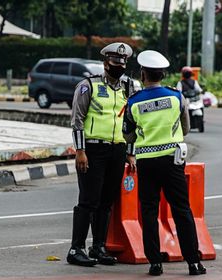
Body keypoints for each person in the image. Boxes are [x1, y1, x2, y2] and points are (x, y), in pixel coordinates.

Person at [122, 50, 206, 276]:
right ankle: (193, 263)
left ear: (143, 74)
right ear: (162, 74)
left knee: (149, 211)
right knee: (181, 209)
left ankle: (155, 263)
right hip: (172, 161)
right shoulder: (176, 97)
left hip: (147, 164)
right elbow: (186, 128)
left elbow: (128, 137)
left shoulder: (133, 102)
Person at [68, 42, 135, 267]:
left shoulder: (128, 87)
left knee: (107, 202)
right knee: (88, 200)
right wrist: (80, 151)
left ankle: (98, 247)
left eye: (123, 62)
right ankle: (75, 248)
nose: (120, 66)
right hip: (92, 150)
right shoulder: (89, 86)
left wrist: (130, 153)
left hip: (117, 150)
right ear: (105, 63)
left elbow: (132, 124)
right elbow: (77, 121)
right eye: (116, 62)